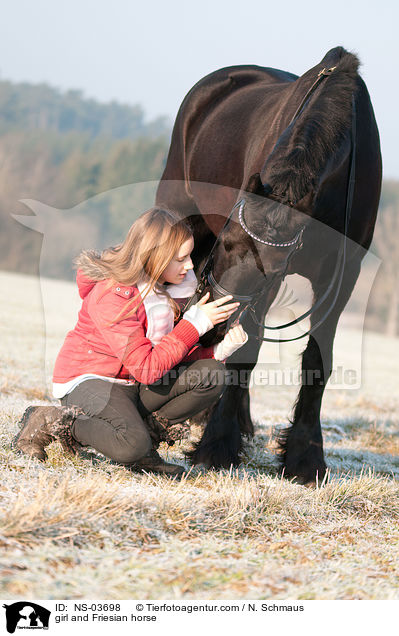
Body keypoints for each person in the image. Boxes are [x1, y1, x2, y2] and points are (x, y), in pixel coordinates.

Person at [13, 207, 248, 476]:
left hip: (132, 383)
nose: (190, 266)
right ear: (155, 257)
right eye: (181, 259)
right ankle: (53, 421)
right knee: (130, 444)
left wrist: (220, 349)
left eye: (190, 257)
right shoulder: (113, 294)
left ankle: (143, 447)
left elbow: (168, 356)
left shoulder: (161, 290)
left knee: (213, 375)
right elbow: (147, 368)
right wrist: (193, 325)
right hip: (91, 380)